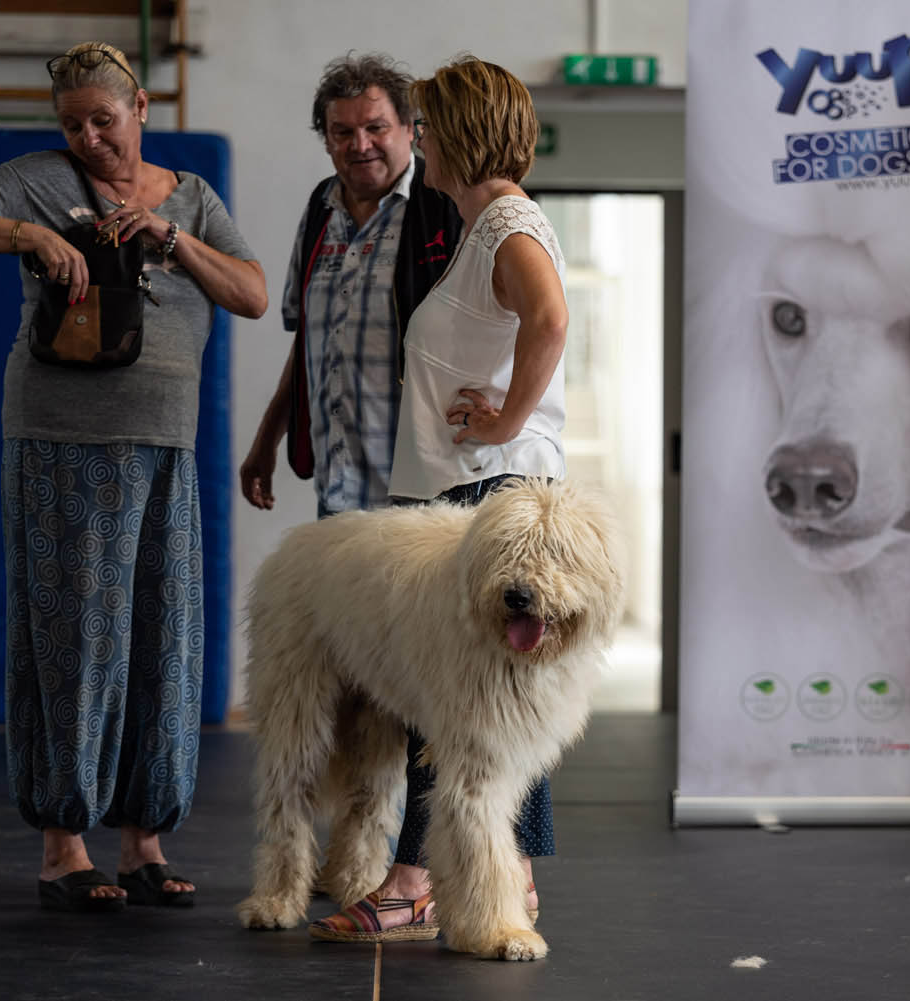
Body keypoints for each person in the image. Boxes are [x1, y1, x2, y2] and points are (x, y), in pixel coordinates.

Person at [0, 41, 267, 912]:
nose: (88, 137)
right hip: (59, 437)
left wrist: (171, 239)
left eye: (102, 120)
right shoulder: (38, 177)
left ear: (139, 107)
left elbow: (254, 294)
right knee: (72, 638)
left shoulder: (193, 196)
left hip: (165, 445)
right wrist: (27, 231)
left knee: (162, 640)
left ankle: (144, 838)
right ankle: (63, 844)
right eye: (73, 124)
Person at [309, 56, 569, 943]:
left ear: (453, 134)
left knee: (460, 708)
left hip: (486, 494)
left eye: (420, 124)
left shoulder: (505, 219)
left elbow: (551, 318)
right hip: (456, 492)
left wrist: (506, 421)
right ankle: (507, 880)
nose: (410, 138)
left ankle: (418, 879)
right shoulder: (478, 224)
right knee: (471, 708)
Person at [238, 54, 462, 517]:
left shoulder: (445, 206)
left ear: (409, 129)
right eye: (343, 132)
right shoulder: (321, 208)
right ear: (327, 140)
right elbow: (310, 342)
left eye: (376, 127)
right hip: (336, 488)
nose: (360, 145)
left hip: (423, 496)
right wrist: (266, 442)